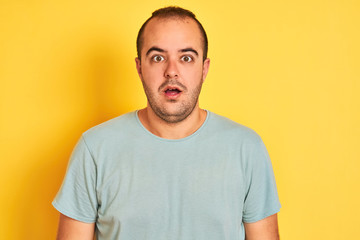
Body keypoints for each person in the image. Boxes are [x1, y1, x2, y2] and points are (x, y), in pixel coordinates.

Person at [53, 6, 281, 240]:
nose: (172, 72)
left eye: (186, 58)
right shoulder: (94, 149)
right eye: (158, 58)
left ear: (204, 69)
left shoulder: (246, 148)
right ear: (140, 68)